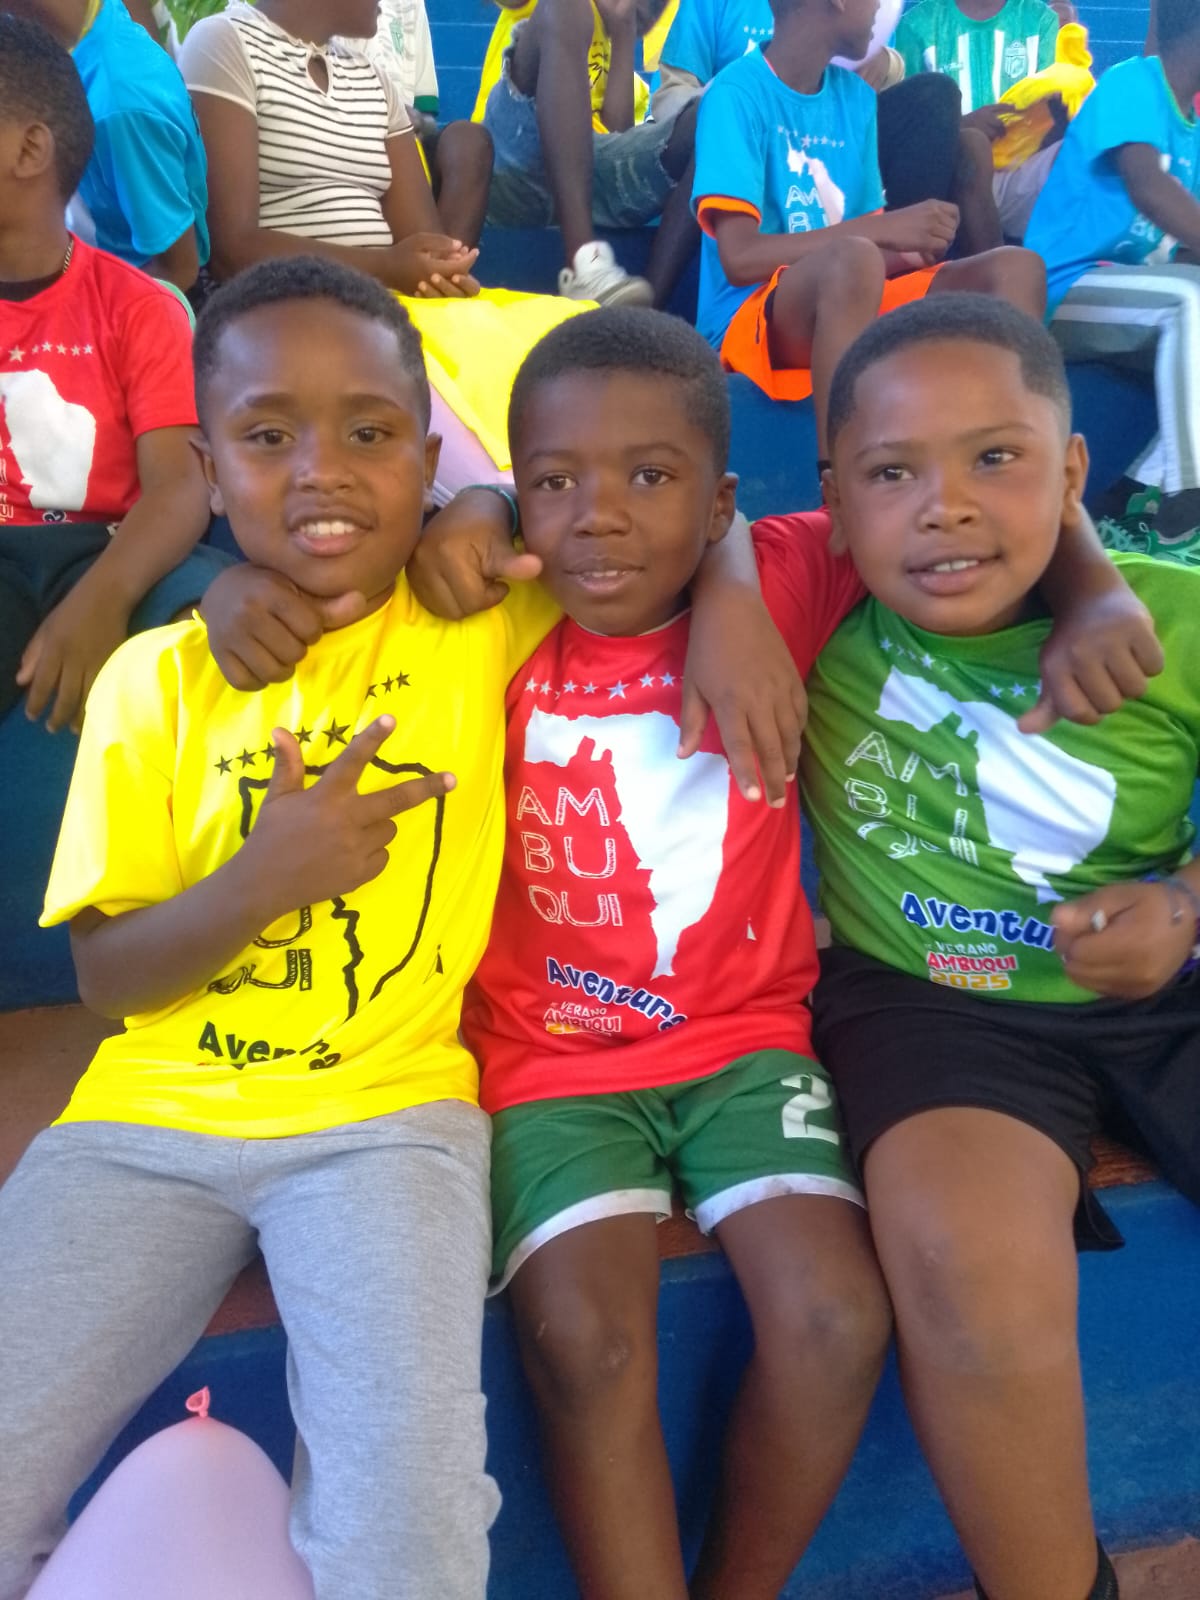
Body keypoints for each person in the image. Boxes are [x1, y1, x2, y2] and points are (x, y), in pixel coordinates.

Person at [204, 302, 1164, 1600]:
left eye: (651, 481)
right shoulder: (483, 609)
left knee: (835, 1317)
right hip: (546, 1060)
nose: (600, 518)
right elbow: (352, 557)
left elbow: (973, 505)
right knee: (584, 1339)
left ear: (717, 504)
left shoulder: (792, 580)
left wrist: (1091, 581)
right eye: (556, 486)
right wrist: (235, 576)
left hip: (747, 1043)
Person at [0, 256, 562, 1600]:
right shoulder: (154, 679)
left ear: (425, 454)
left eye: (370, 433)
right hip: (145, 1119)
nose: (322, 472)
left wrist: (484, 505)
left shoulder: (477, 619)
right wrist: (266, 878)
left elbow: (651, 501)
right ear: (206, 467)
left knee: (405, 1526)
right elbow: (110, 978)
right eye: (268, 437)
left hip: (386, 1121)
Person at [800, 291, 1200, 1600]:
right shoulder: (805, 614)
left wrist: (1186, 906)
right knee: (963, 1267)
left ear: (1074, 474)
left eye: (995, 459)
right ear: (834, 497)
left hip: (1165, 980)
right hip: (929, 1003)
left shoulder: (1174, 617)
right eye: (892, 473)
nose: (946, 507)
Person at [0, 14, 224, 734]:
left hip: (110, 547)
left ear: (29, 149)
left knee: (221, 605)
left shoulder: (137, 307)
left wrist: (101, 599)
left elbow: (179, 485)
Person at [692, 0, 1045, 456]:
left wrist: (911, 247)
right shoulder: (736, 94)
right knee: (853, 259)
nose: (881, 7)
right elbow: (740, 259)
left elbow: (867, 252)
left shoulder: (856, 100)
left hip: (845, 287)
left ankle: (1000, 461)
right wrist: (882, 230)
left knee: (1016, 270)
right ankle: (838, 477)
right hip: (750, 316)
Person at [1025, 0, 1200, 535]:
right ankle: (1189, 499)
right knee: (1189, 299)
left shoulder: (1192, 131)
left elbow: (1183, 248)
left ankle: (1133, 491)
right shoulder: (1133, 82)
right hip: (1063, 286)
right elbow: (1148, 187)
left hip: (1131, 297)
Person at [658, 0, 1007, 259]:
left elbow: (881, 59)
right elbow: (670, 101)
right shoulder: (734, 89)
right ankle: (656, 300)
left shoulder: (855, 91)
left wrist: (885, 63)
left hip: (834, 130)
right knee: (715, 127)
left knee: (943, 106)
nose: (881, 6)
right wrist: (753, 103)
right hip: (736, 140)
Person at [179, 0, 478, 297]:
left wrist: (443, 272)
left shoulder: (374, 79)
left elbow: (424, 244)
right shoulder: (223, 43)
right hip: (279, 309)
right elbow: (230, 250)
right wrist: (386, 268)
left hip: (382, 308)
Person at [475, 0, 700, 307]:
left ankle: (647, 308)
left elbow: (616, 140)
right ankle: (584, 260)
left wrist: (623, 35)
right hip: (510, 153)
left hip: (583, 176)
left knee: (712, 113)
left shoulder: (630, 79)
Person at [3, 0, 209, 291]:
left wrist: (69, 309)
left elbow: (178, 267)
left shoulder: (120, 104)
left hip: (112, 290)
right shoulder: (94, 16)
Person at [340, 0, 495, 248]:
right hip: (345, 138)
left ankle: (445, 261)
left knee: (469, 140)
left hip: (406, 145)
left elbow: (427, 116)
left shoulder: (411, 4)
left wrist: (416, 120)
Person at [895, 0, 1059, 125]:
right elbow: (907, 123)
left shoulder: (1041, 20)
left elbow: (1051, 116)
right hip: (944, 159)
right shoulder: (916, 25)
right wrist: (962, 128)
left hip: (1025, 159)